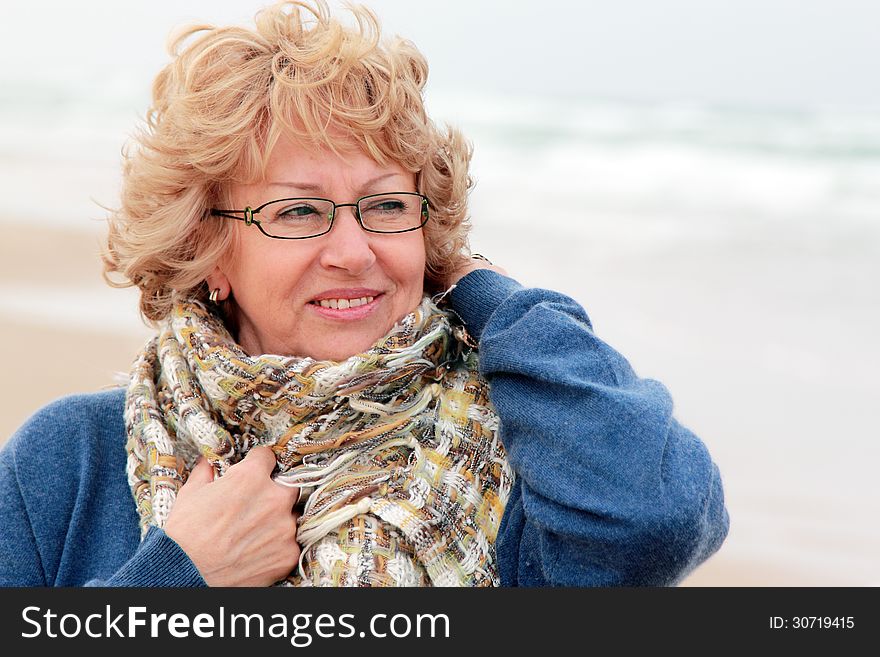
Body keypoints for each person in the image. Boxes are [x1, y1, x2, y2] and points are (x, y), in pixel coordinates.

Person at [0, 0, 728, 587]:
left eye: (385, 207)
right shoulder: (70, 460)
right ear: (208, 252)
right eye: (297, 212)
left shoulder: (526, 456)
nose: (353, 251)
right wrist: (182, 578)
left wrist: (479, 290)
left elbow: (658, 519)